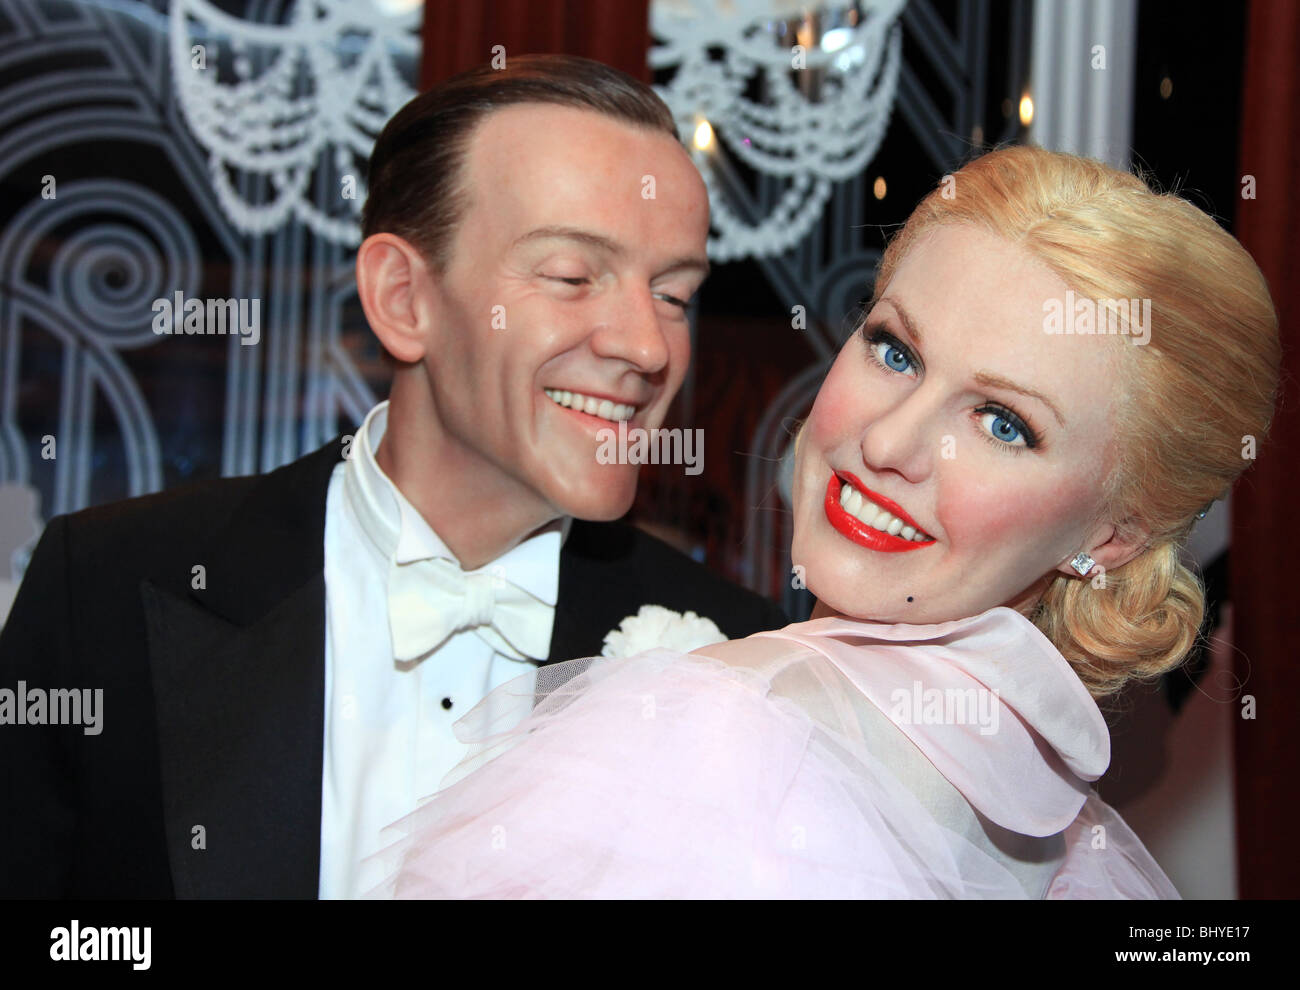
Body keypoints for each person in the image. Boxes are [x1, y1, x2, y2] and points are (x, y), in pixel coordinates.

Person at [370, 144, 1280, 899]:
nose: (891, 442)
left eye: (1004, 424)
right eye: (895, 350)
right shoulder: (1048, 821)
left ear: (1112, 537)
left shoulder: (718, 729)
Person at [0, 55, 788, 898]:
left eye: (672, 294)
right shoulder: (110, 587)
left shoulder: (735, 663)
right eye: (571, 276)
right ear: (404, 298)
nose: (648, 346)